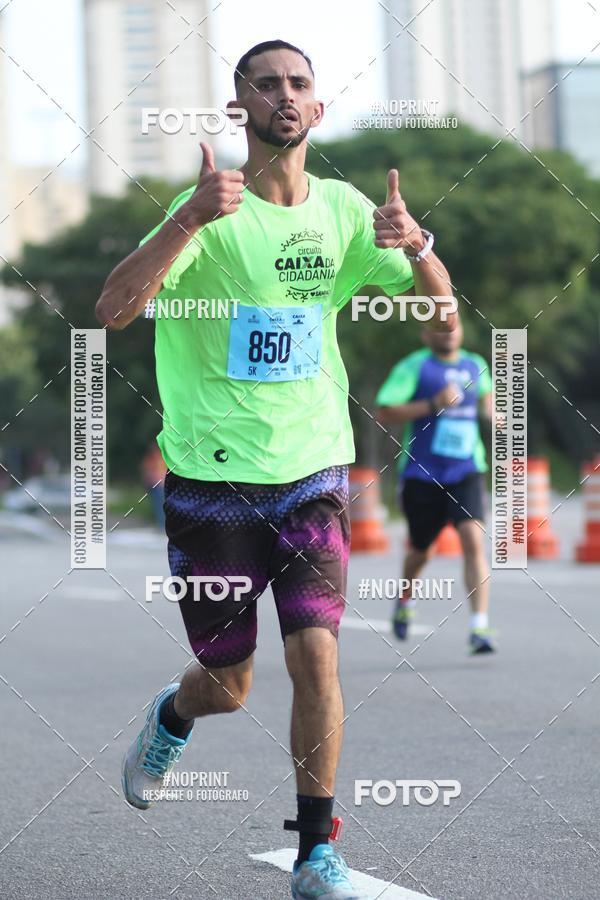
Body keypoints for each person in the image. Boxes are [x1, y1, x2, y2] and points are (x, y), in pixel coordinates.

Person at [95, 39, 456, 899]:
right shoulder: (205, 213)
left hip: (312, 471)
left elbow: (443, 330)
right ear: (239, 107)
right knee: (227, 685)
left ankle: (314, 855)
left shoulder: (340, 209)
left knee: (318, 661)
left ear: (317, 110)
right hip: (210, 483)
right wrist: (186, 218)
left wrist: (421, 246)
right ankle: (172, 715)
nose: (283, 97)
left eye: (299, 84)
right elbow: (111, 310)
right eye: (266, 85)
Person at [376, 320, 495, 654]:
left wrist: (494, 414)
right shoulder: (415, 366)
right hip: (421, 473)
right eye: (439, 327)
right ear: (426, 334)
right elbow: (385, 411)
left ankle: (479, 626)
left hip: (466, 469)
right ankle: (405, 599)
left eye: (453, 326)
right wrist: (432, 404)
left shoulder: (476, 364)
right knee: (422, 551)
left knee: (473, 539)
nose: (448, 331)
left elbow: (487, 400)